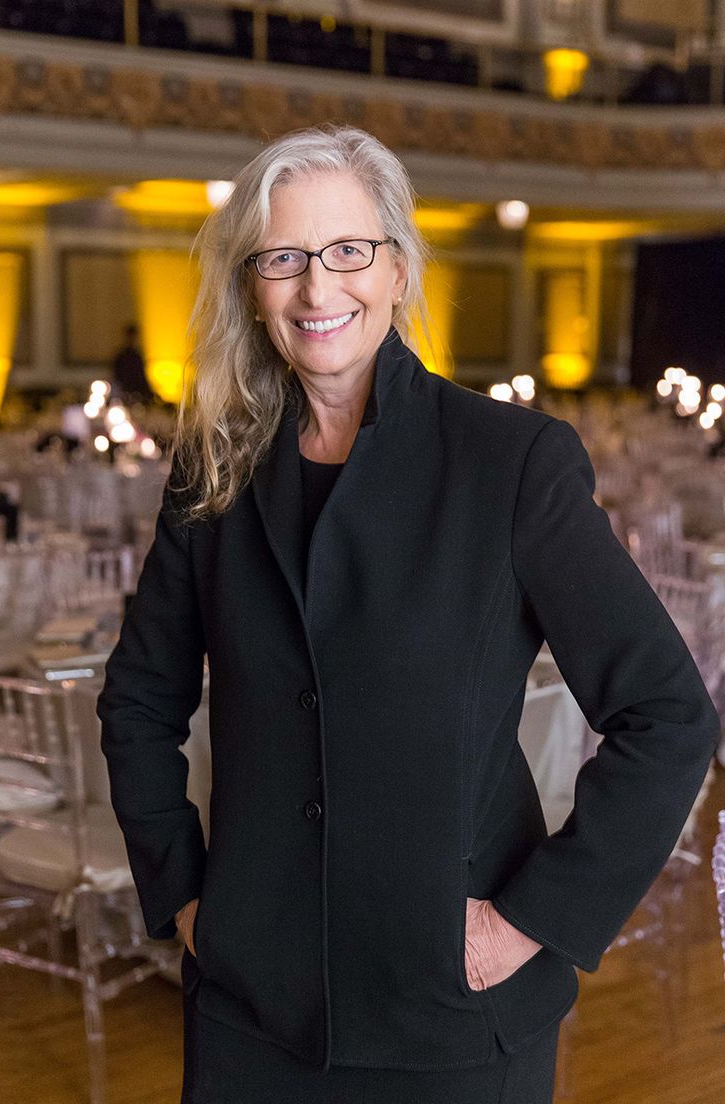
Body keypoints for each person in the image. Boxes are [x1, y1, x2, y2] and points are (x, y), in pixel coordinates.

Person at [97, 125, 720, 1104]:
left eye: (348, 251)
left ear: (396, 268)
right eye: (283, 259)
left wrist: (528, 921)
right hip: (248, 1005)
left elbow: (668, 716)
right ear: (251, 287)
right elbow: (138, 696)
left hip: (452, 1012)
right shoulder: (213, 467)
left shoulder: (510, 462)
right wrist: (181, 892)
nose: (317, 288)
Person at [110, 322, 154, 404]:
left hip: (135, 391)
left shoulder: (136, 356)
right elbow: (117, 376)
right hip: (124, 391)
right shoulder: (122, 356)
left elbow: (141, 376)